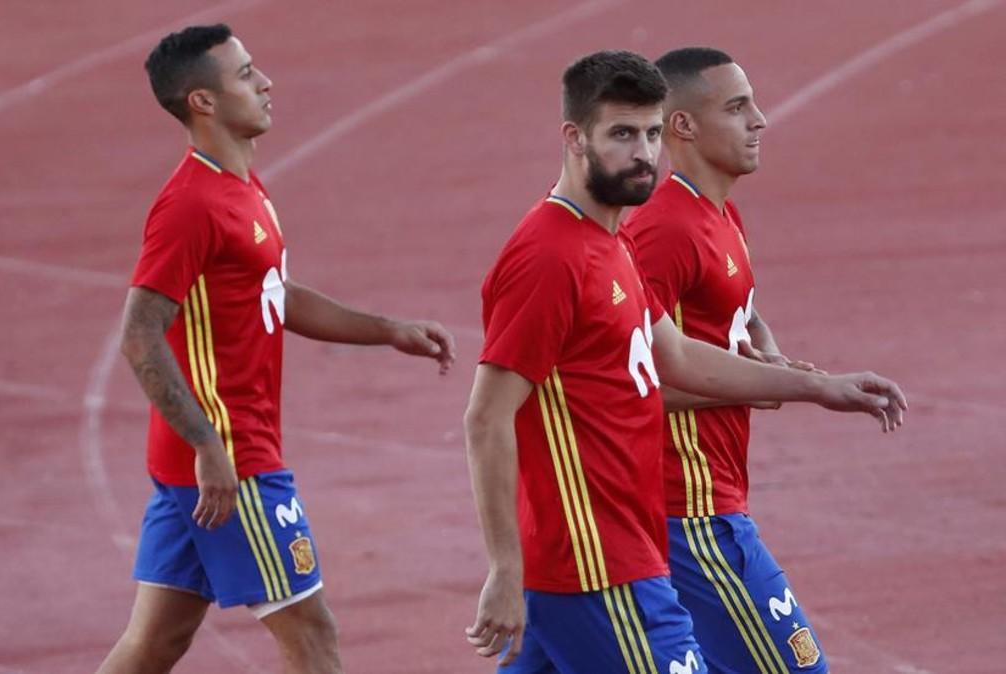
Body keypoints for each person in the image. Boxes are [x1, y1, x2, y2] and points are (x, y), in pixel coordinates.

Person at [463, 50, 905, 673]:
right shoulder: (550, 256)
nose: (643, 153)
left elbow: (673, 357)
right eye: (622, 134)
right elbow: (487, 417)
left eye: (648, 132)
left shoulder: (609, 241)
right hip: (599, 560)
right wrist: (504, 570)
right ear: (574, 138)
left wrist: (815, 386)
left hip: (621, 549)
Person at [97, 24, 456, 674]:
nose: (266, 83)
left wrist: (386, 329)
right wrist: (209, 444)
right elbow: (138, 333)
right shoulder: (191, 205)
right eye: (245, 74)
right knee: (312, 635)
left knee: (155, 643)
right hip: (230, 459)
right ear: (202, 101)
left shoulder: (242, 188)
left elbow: (272, 294)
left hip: (205, 459)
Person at [623, 47, 836, 673]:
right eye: (738, 107)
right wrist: (783, 387)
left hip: (710, 499)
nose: (760, 120)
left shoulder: (719, 214)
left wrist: (771, 357)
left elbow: (740, 309)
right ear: (682, 126)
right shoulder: (662, 233)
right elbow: (633, 377)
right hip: (687, 511)